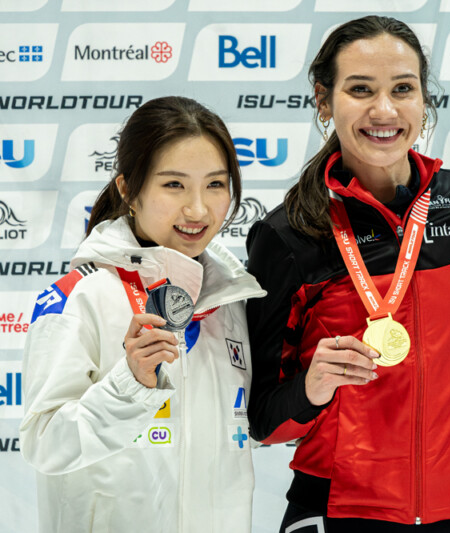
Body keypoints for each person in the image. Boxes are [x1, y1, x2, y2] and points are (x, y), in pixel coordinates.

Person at [246, 15, 450, 533]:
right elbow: (264, 420)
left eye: (402, 89)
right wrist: (311, 388)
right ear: (324, 101)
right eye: (360, 89)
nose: (384, 110)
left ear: (423, 100)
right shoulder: (290, 234)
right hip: (339, 508)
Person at [19, 96, 266, 532]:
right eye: (174, 185)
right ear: (128, 190)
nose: (198, 210)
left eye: (215, 184)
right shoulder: (81, 296)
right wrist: (129, 385)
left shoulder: (232, 301)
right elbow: (44, 444)